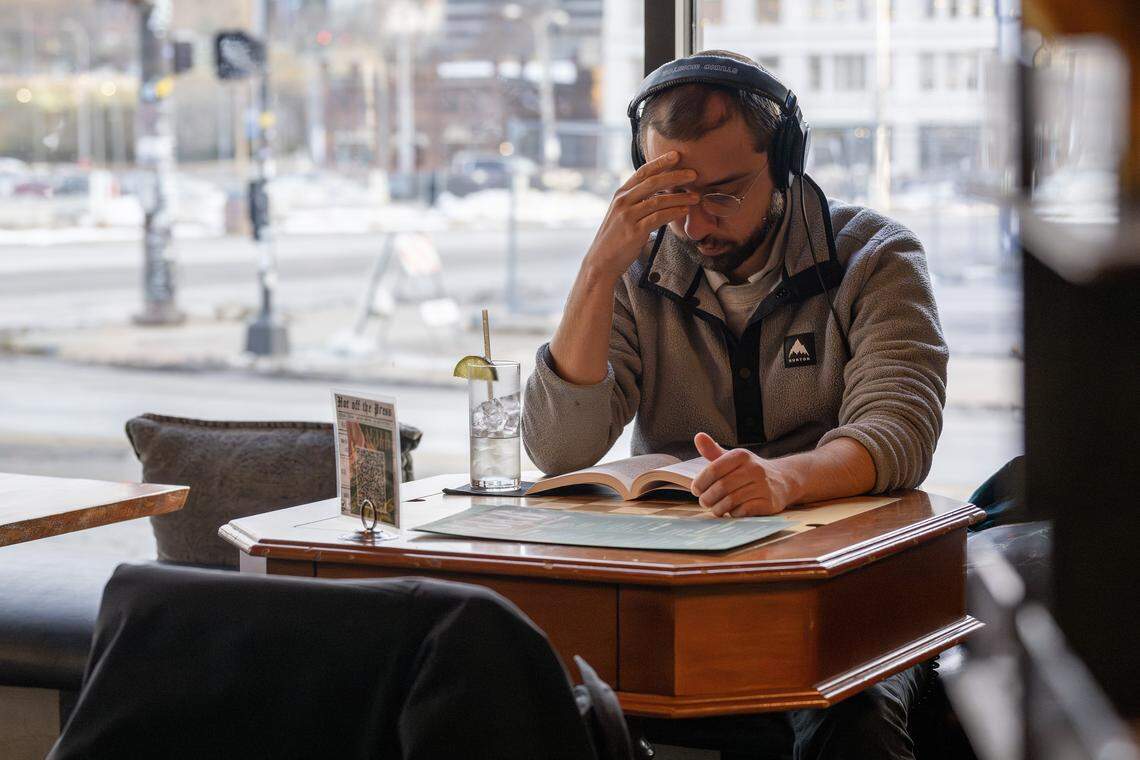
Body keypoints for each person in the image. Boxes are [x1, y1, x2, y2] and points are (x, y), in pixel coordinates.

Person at [522, 50, 947, 759]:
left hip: (843, 594)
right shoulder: (637, 268)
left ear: (783, 164)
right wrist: (599, 266)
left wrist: (782, 478)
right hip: (682, 595)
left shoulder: (875, 257)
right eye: (671, 193)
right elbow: (558, 448)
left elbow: (898, 430)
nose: (693, 224)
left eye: (722, 194)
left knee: (853, 716)